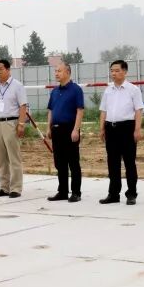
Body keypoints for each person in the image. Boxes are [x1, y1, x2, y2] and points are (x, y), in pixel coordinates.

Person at [99, 60, 144, 205]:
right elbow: (103, 110)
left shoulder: (133, 90)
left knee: (129, 163)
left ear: (125, 71)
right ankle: (113, 194)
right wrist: (102, 128)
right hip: (110, 128)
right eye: (112, 70)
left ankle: (131, 194)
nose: (114, 73)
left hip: (127, 128)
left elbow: (138, 110)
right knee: (112, 163)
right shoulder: (108, 90)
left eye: (117, 70)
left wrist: (137, 129)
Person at [47, 62, 85, 202]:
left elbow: (80, 110)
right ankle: (62, 191)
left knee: (73, 163)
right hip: (56, 129)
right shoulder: (55, 91)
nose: (56, 73)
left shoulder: (76, 90)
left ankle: (76, 192)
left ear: (68, 72)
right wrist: (49, 127)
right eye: (55, 71)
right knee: (59, 163)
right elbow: (51, 110)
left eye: (59, 71)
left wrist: (76, 129)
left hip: (70, 129)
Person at [0, 59, 28, 199]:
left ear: (8, 70)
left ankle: (16, 188)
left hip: (11, 123)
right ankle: (4, 187)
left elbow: (23, 106)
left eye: (1, 69)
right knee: (1, 158)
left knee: (13, 157)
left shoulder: (17, 86)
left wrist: (21, 124)